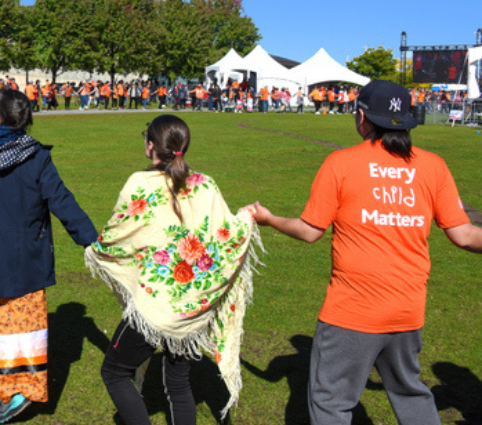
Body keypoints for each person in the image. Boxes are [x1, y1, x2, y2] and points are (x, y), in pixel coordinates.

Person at [251, 80, 482, 425]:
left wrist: (269, 219)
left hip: (352, 311)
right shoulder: (433, 166)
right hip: (407, 310)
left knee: (330, 403)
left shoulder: (341, 163)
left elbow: (310, 230)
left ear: (362, 117)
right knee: (410, 392)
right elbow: (464, 235)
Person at [86, 115, 262, 425]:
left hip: (157, 307)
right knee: (178, 383)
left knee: (114, 372)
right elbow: (226, 234)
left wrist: (97, 250)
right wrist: (246, 217)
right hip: (194, 307)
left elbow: (117, 234)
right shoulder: (206, 184)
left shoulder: (140, 183)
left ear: (150, 145)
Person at [0, 88, 97, 424]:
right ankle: (6, 386)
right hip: (20, 259)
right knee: (1, 326)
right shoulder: (24, 156)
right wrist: (92, 239)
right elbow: (62, 201)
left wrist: (92, 240)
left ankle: (15, 389)